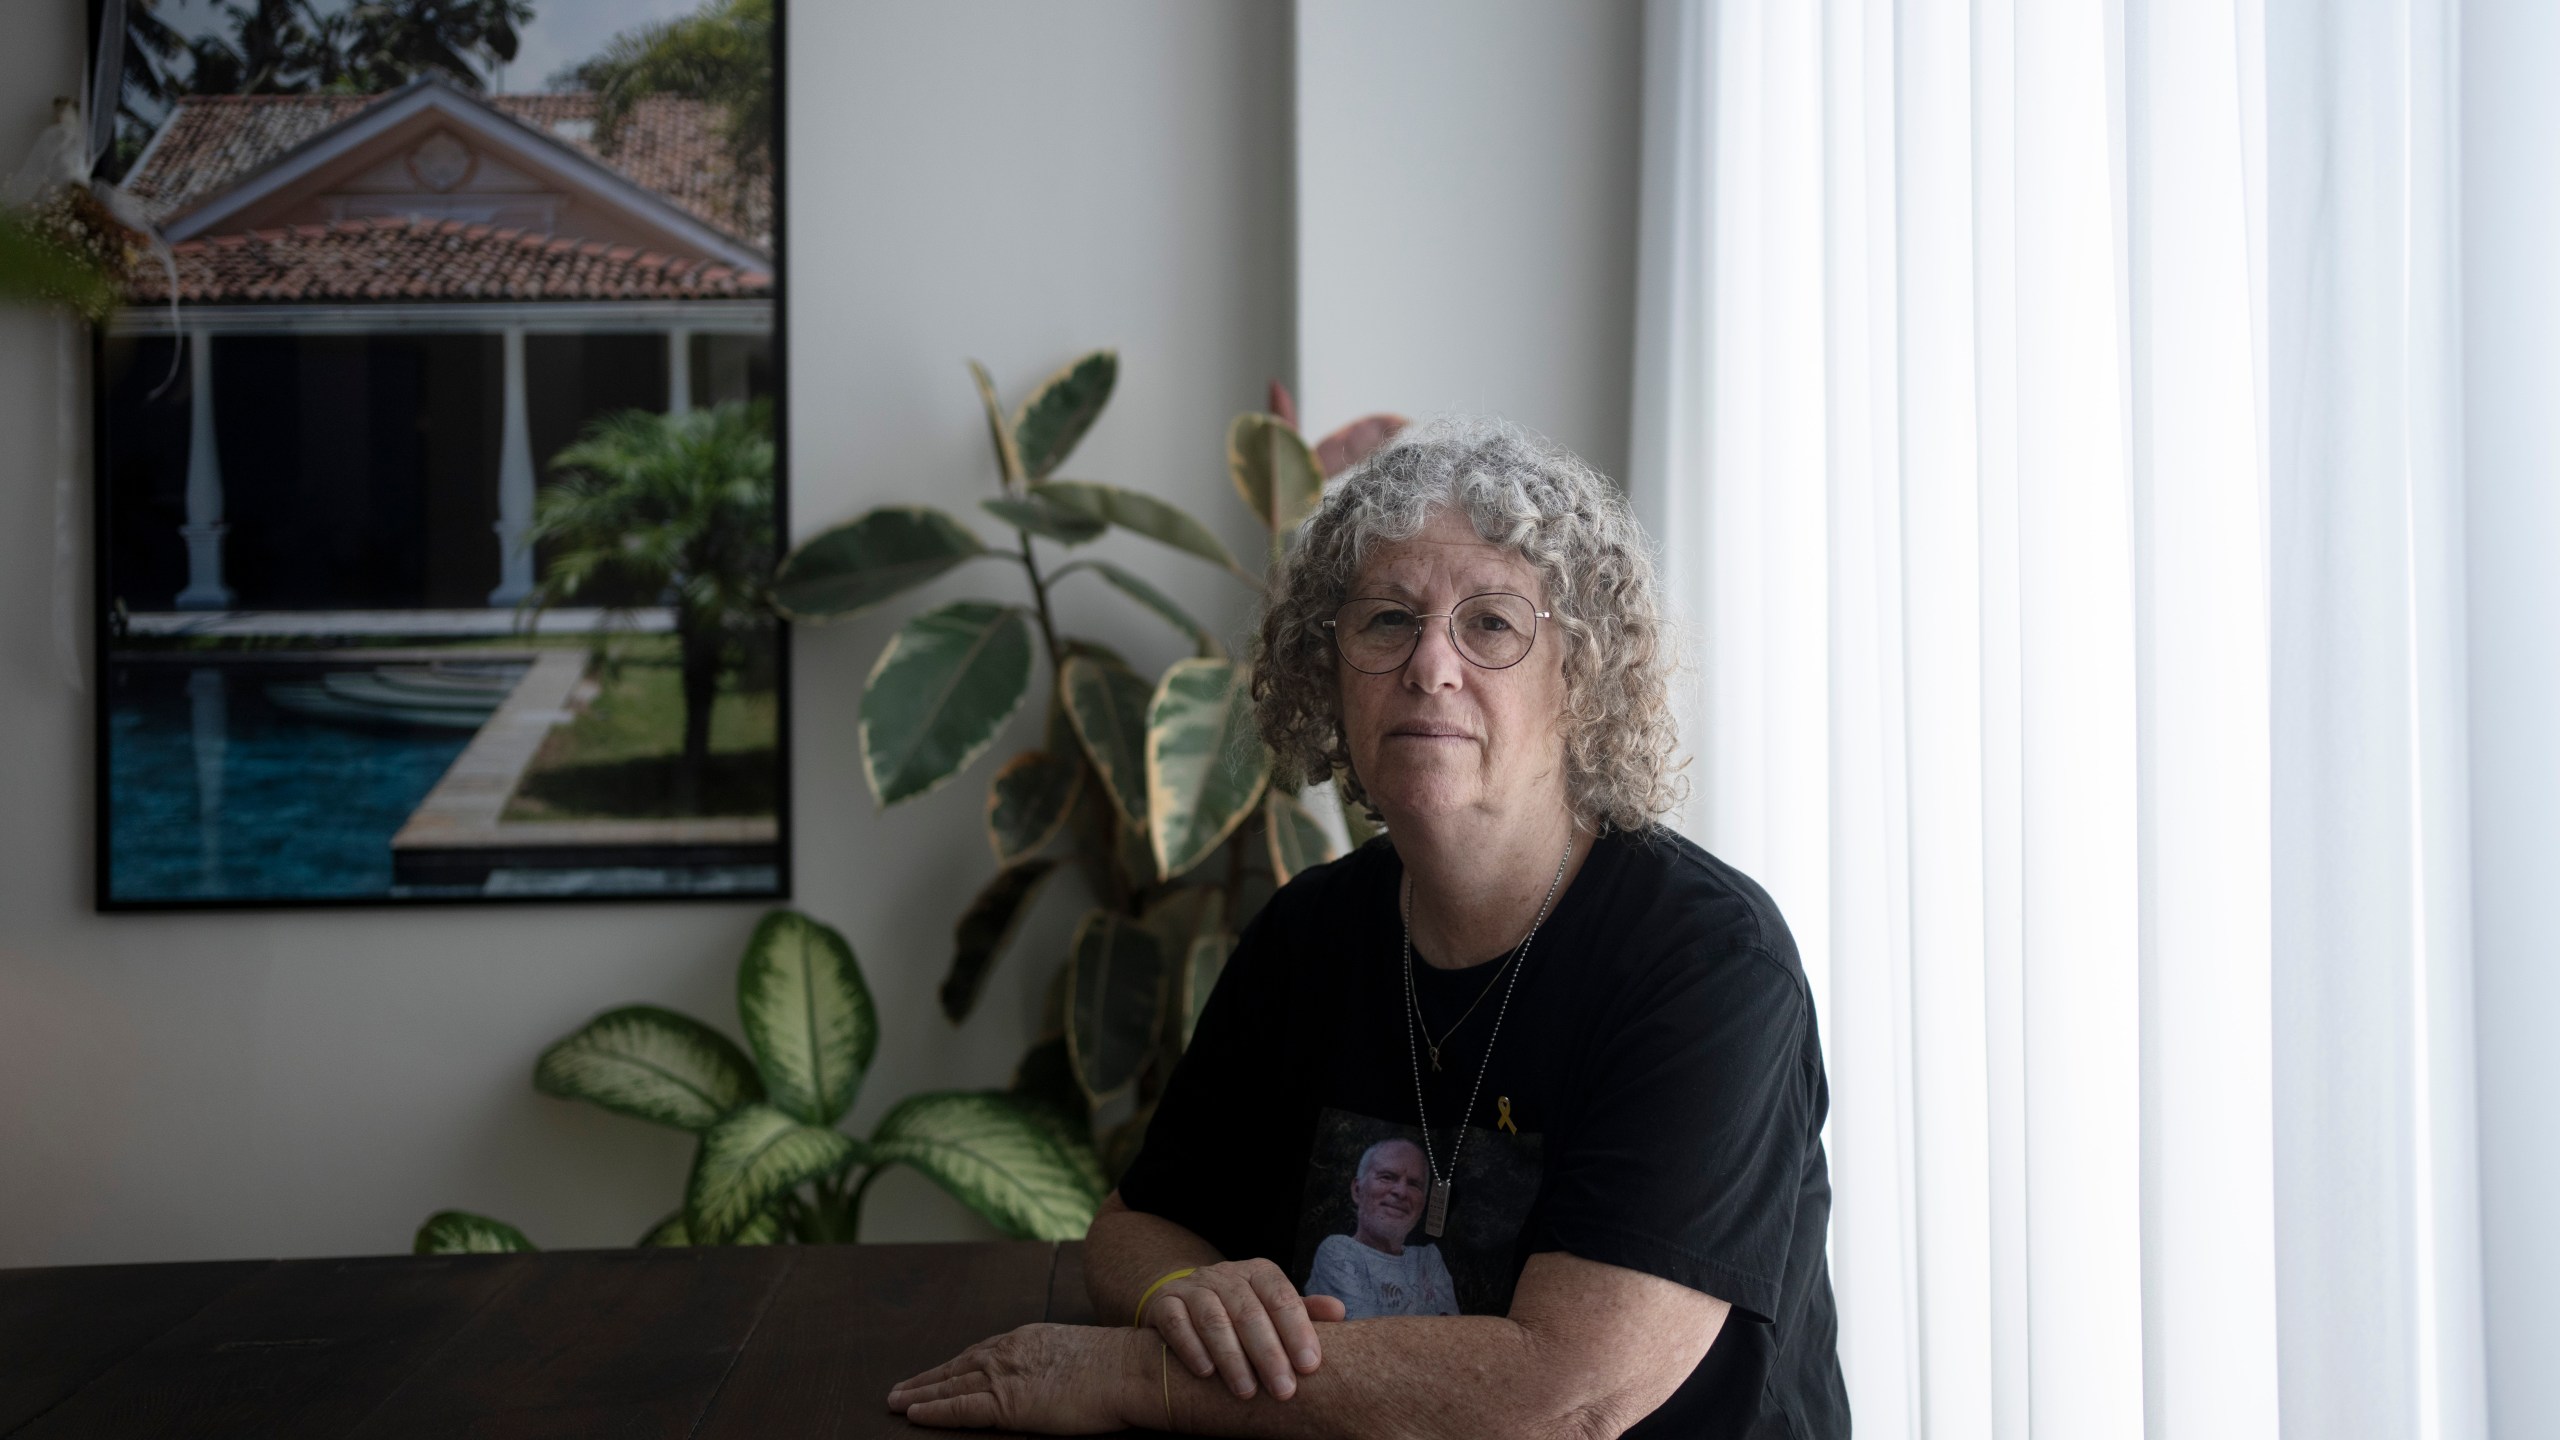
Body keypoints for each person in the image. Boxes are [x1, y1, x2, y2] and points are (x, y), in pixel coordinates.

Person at [890, 418, 1847, 1439]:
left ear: (1580, 678)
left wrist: (1144, 1376)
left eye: (1490, 625)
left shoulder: (1708, 965)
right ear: (1329, 671)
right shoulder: (1309, 932)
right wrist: (1185, 1293)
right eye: (1388, 620)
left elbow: (1566, 1395)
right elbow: (1138, 1225)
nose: (1430, 665)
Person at [1303, 1138, 1459, 1319]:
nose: (1401, 1192)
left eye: (1414, 1184)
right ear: (1357, 1190)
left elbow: (1454, 1333)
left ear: (1423, 1204)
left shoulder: (1428, 1260)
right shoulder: (1338, 1250)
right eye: (1387, 1177)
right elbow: (1364, 1331)